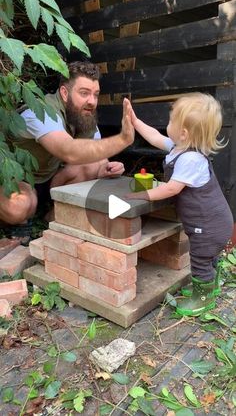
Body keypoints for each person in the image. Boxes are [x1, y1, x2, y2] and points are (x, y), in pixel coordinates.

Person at [125, 93, 234, 317]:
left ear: (183, 132)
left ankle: (203, 298)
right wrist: (135, 122)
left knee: (200, 260)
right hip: (214, 223)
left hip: (208, 226)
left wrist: (141, 195)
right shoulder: (181, 148)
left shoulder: (190, 159)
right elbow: (155, 137)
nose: (168, 124)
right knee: (207, 258)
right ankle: (208, 286)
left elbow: (171, 189)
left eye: (171, 120)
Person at [0, 61, 134, 232]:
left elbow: (96, 157)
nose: (92, 101)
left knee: (93, 163)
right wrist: (123, 139)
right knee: (19, 207)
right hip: (18, 178)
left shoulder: (83, 116)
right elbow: (69, 151)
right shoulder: (41, 112)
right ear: (64, 92)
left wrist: (106, 169)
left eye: (96, 94)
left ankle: (54, 216)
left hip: (50, 177)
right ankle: (20, 222)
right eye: (84, 93)